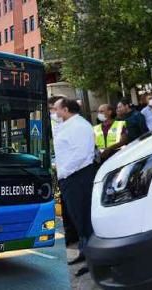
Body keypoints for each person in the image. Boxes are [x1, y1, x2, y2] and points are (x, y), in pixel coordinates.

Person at [53, 97, 95, 277]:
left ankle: (93, 261)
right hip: (69, 177)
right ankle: (84, 252)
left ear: (65, 109)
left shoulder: (79, 125)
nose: (53, 113)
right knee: (77, 218)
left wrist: (63, 172)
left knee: (84, 218)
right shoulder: (67, 125)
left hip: (78, 177)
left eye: (55, 109)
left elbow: (80, 154)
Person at [48, 95, 79, 246]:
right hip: (63, 172)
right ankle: (71, 235)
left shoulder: (70, 125)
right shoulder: (55, 124)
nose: (52, 113)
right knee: (67, 207)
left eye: (53, 109)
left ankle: (76, 236)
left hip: (72, 172)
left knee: (72, 207)